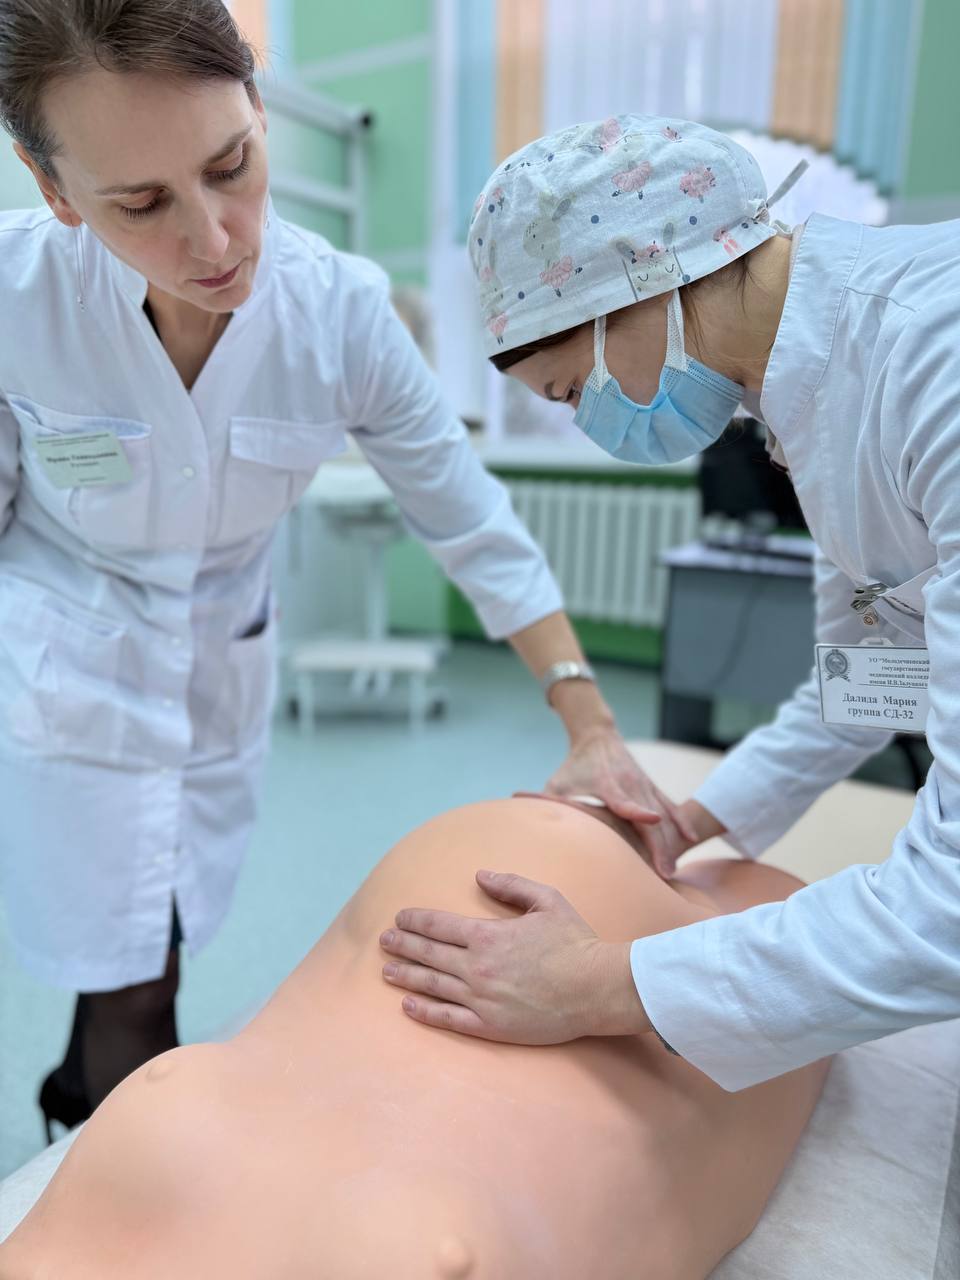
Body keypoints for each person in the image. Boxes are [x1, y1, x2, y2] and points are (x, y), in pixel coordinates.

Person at [0, 7, 686, 1140]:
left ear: (259, 112)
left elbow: (466, 515)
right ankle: (121, 1147)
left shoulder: (342, 313)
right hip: (66, 661)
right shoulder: (18, 301)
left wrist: (592, 722)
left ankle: (77, 1099)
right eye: (143, 204)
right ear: (55, 189)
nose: (216, 240)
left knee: (153, 930)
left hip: (217, 660)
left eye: (232, 165)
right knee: (128, 964)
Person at [379, 113, 960, 1092]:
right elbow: (865, 687)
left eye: (571, 390)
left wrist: (601, 985)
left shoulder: (932, 356)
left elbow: (948, 902)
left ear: (635, 283)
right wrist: (692, 820)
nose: (591, 422)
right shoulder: (815, 398)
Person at [0, 794, 828, 1280]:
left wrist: (604, 978)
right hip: (524, 893)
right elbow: (813, 968)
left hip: (478, 866)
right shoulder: (768, 922)